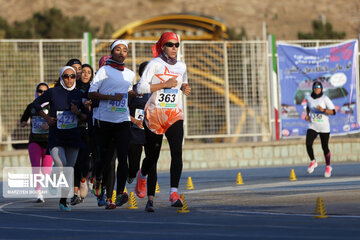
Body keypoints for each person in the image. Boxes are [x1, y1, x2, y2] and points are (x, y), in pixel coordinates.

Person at [135, 32, 191, 208]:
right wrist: (163, 85)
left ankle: (173, 193)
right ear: (162, 46)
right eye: (170, 44)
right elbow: (140, 88)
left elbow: (183, 83)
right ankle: (142, 175)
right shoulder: (154, 64)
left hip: (174, 114)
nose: (174, 48)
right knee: (152, 156)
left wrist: (184, 88)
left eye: (176, 45)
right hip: (154, 115)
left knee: (177, 152)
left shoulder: (182, 66)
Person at [88, 40, 135, 209]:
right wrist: (110, 97)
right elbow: (91, 93)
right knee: (103, 159)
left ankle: (120, 193)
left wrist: (135, 92)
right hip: (104, 120)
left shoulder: (129, 74)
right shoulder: (104, 71)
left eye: (124, 50)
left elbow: (128, 90)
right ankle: (98, 178)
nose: (121, 52)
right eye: (118, 49)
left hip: (122, 120)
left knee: (123, 157)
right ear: (112, 52)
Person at [33, 66, 87, 211]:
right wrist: (47, 118)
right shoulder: (53, 92)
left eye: (72, 76)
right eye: (66, 76)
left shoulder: (79, 94)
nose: (69, 79)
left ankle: (63, 201)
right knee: (61, 164)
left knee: (69, 169)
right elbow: (36, 104)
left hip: (73, 137)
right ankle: (54, 176)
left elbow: (86, 116)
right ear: (61, 77)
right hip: (57, 136)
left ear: (76, 77)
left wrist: (78, 113)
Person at [127, 61, 157, 212]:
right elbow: (123, 110)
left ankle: (150, 200)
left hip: (152, 131)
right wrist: (135, 120)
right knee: (133, 166)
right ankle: (135, 173)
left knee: (152, 163)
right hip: (134, 132)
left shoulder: (158, 91)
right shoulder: (133, 90)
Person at [20, 83, 53, 203]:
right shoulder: (32, 106)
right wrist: (24, 123)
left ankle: (48, 183)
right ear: (36, 92)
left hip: (49, 142)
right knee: (35, 168)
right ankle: (38, 193)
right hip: (34, 141)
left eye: (45, 92)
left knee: (46, 172)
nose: (42, 94)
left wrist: (48, 124)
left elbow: (58, 121)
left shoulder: (52, 106)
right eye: (40, 91)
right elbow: (23, 120)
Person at [70, 63, 94, 205]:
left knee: (87, 161)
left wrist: (83, 111)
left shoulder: (93, 90)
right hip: (74, 129)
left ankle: (85, 180)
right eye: (83, 71)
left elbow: (91, 114)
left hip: (89, 130)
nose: (85, 74)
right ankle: (75, 193)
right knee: (75, 162)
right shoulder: (73, 90)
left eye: (88, 72)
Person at [305, 81, 336, 178]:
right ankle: (313, 161)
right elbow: (308, 107)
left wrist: (323, 110)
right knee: (308, 143)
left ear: (321, 89)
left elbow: (333, 112)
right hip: (313, 125)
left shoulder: (325, 99)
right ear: (313, 89)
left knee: (325, 147)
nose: (317, 89)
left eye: (318, 88)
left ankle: (328, 166)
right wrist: (307, 115)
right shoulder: (309, 98)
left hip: (324, 127)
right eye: (315, 88)